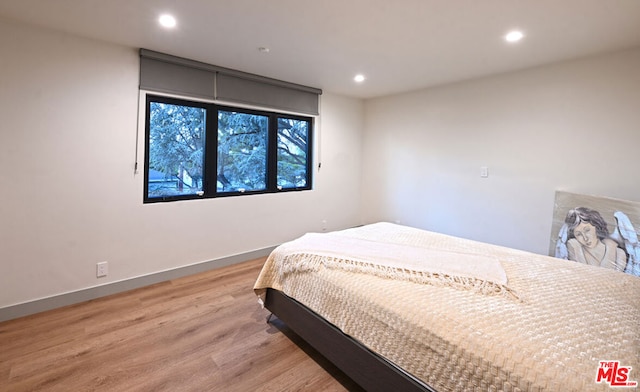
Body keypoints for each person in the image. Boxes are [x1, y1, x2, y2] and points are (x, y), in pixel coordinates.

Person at [564, 207, 627, 272]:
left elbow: (606, 277)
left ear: (596, 227)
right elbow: (581, 275)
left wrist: (610, 249)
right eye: (578, 234)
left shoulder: (618, 254)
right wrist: (577, 249)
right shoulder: (575, 250)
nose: (585, 238)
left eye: (587, 230)